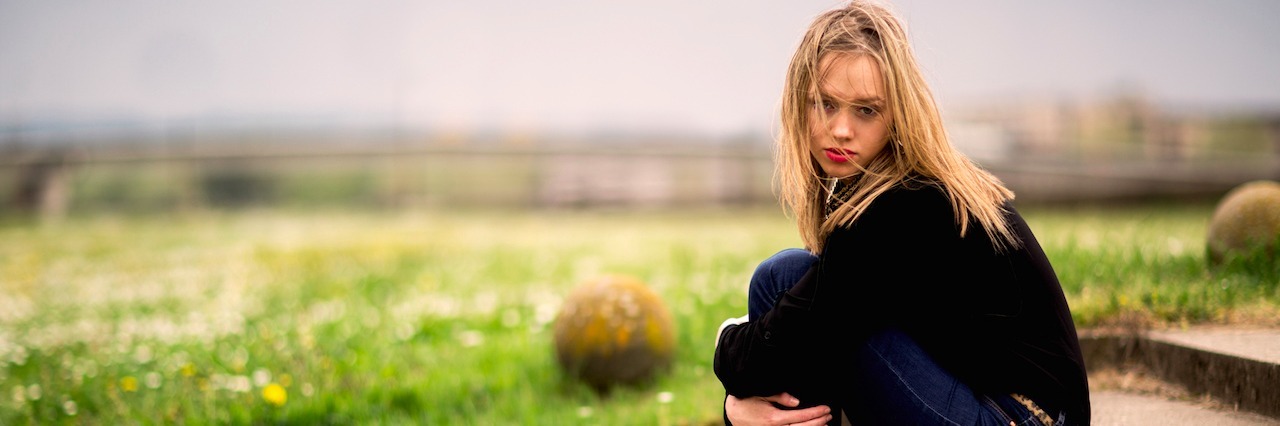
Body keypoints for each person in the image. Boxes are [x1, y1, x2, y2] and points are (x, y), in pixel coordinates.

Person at [712, 1, 1091, 425]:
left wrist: (728, 364)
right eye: (825, 103)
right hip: (1003, 406)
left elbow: (769, 355)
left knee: (781, 278)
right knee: (790, 280)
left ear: (898, 115)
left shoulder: (903, 204)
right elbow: (809, 324)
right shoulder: (900, 189)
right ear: (799, 102)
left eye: (866, 110)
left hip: (1021, 417)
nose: (841, 129)